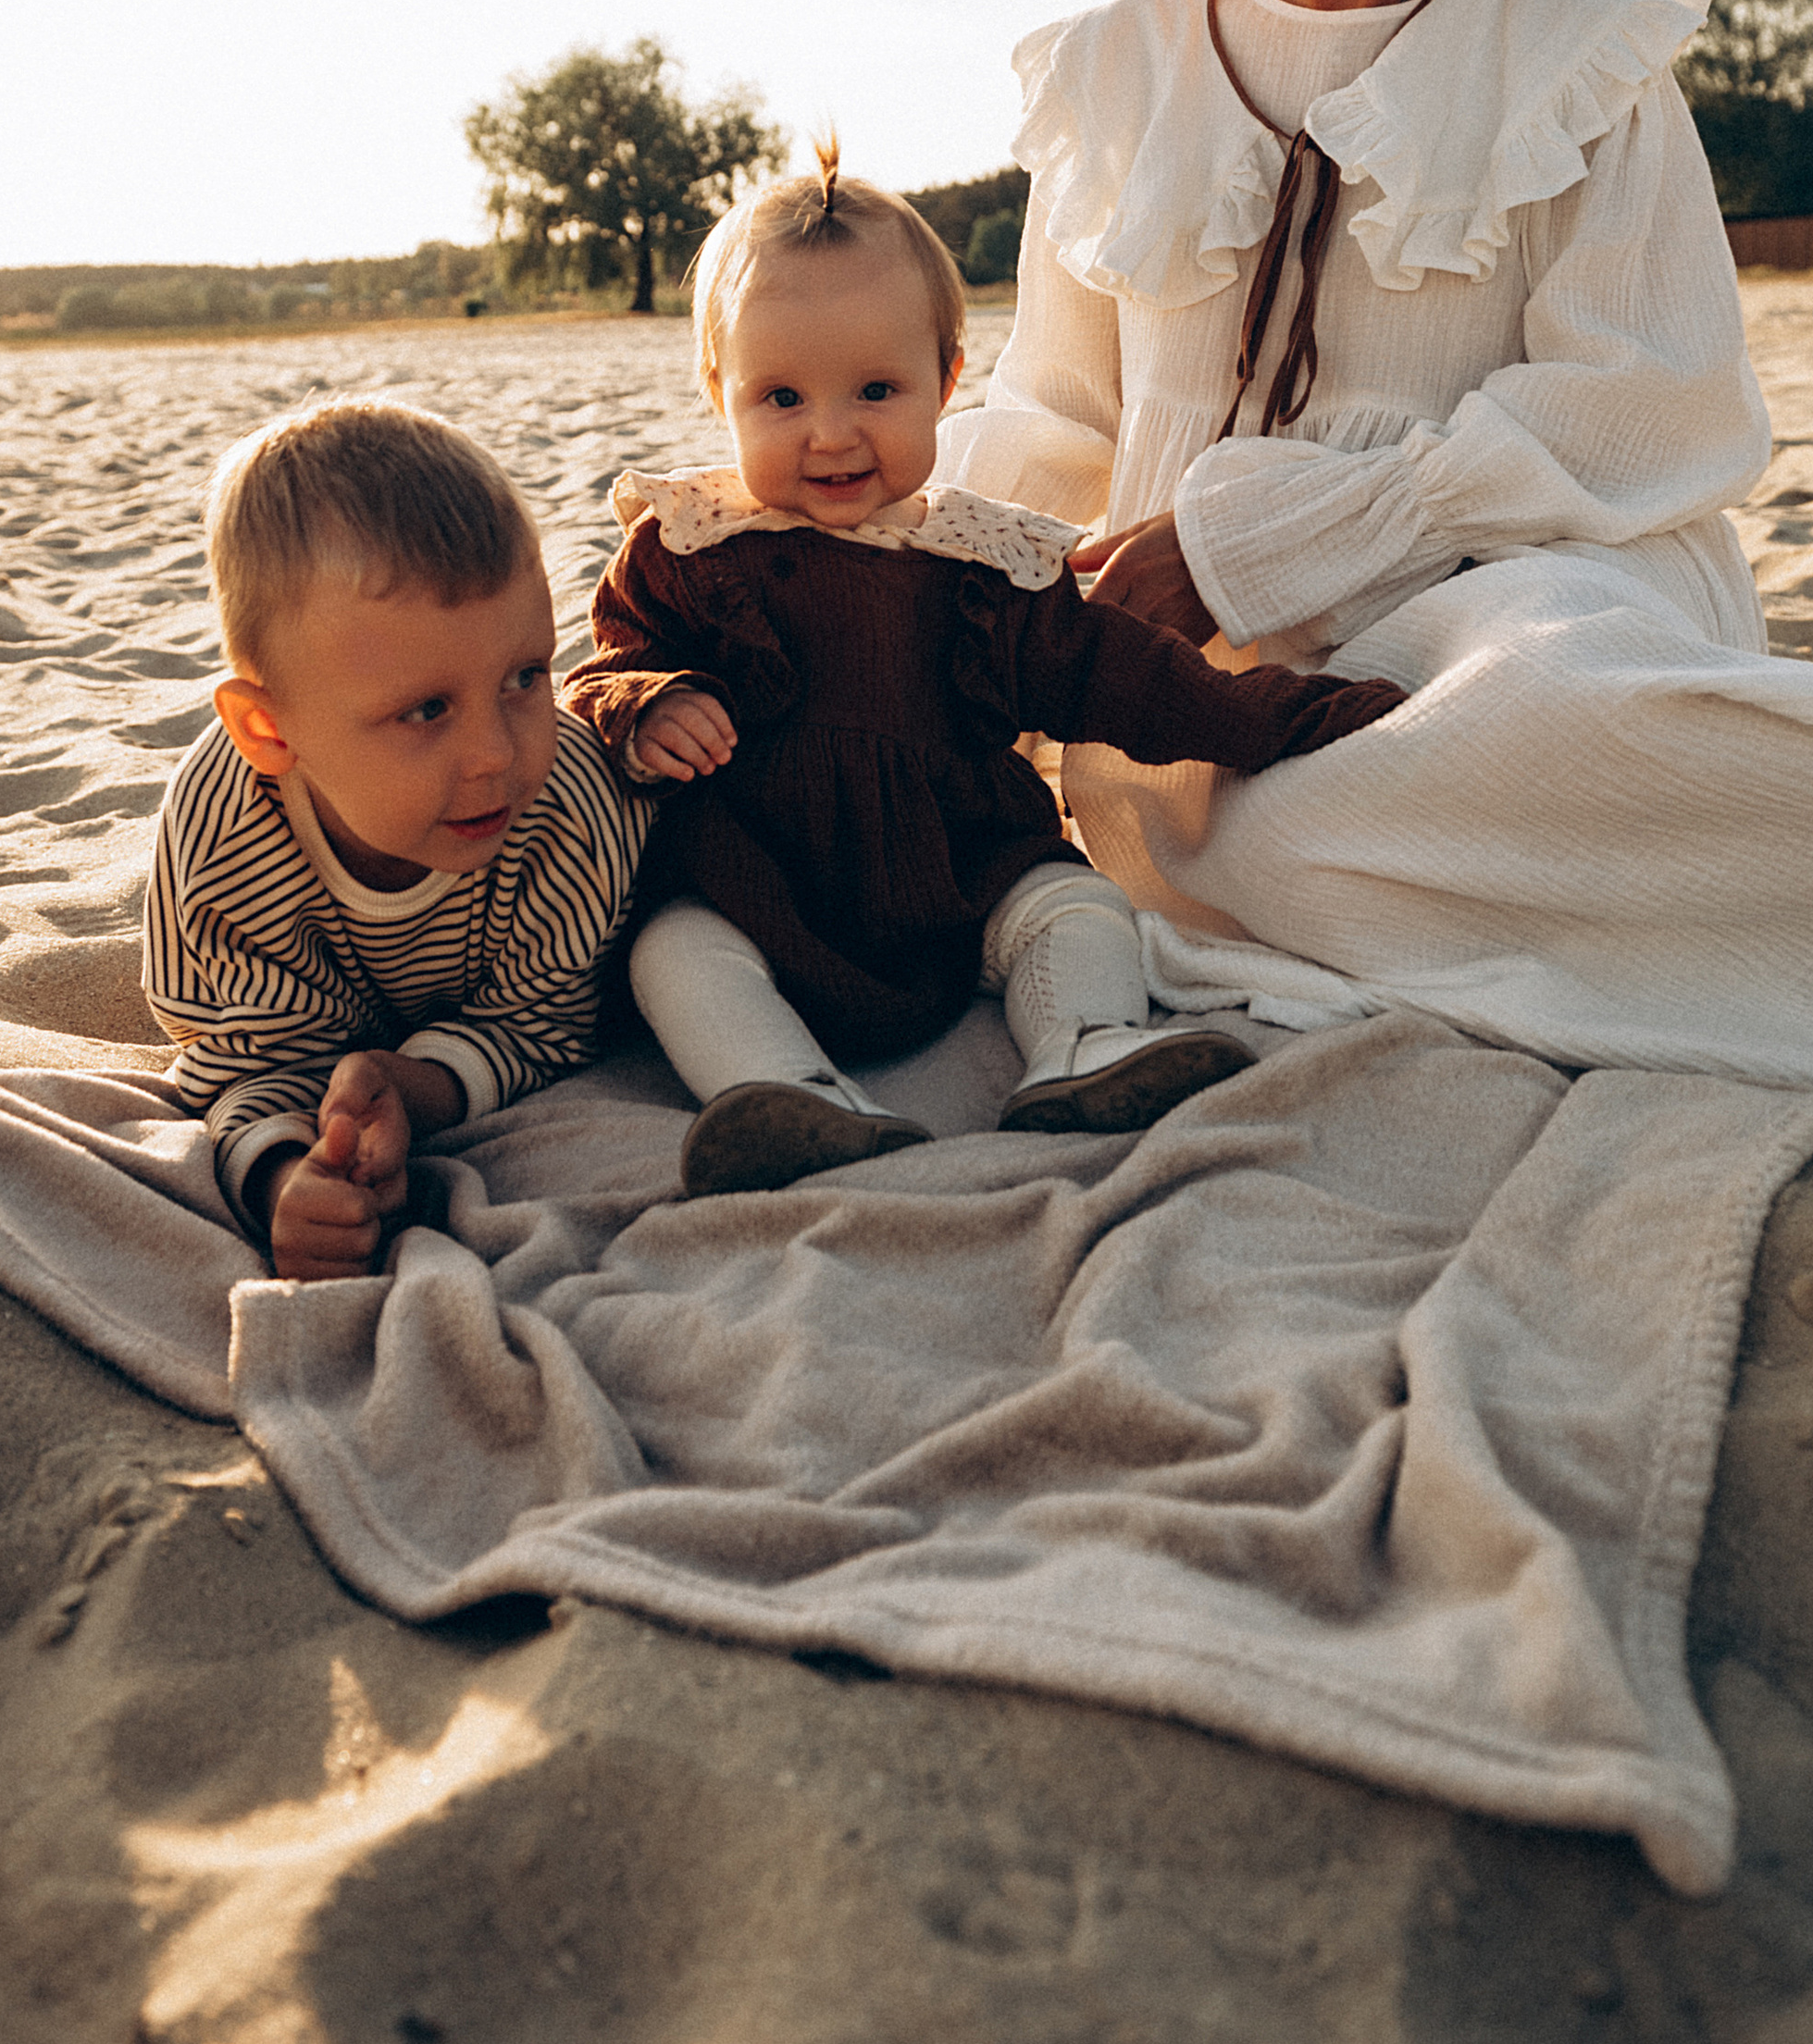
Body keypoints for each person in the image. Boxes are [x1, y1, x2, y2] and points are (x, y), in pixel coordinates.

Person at [935, 0, 1813, 1109]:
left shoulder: (1583, 65)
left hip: (1532, 581)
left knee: (1551, 717)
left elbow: (1650, 411)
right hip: (1204, 674)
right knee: (1256, 827)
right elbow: (1059, 419)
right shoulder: (1113, 71)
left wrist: (1279, 534)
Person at [564, 147, 1404, 1195]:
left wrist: (1283, 714)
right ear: (717, 392)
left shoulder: (981, 560)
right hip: (758, 877)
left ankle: (1083, 1045)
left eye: (876, 389)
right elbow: (602, 670)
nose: (831, 434)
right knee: (674, 950)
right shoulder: (690, 548)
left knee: (1074, 904)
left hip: (962, 873)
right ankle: (788, 1091)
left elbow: (1128, 677)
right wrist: (650, 703)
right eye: (780, 397)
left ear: (947, 382)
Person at [141, 398, 652, 1277]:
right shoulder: (224, 843)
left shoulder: (569, 802)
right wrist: (286, 1180)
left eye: (526, 675)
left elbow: (546, 1028)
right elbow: (241, 1066)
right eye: (426, 709)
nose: (497, 753)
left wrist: (405, 1086)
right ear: (267, 730)